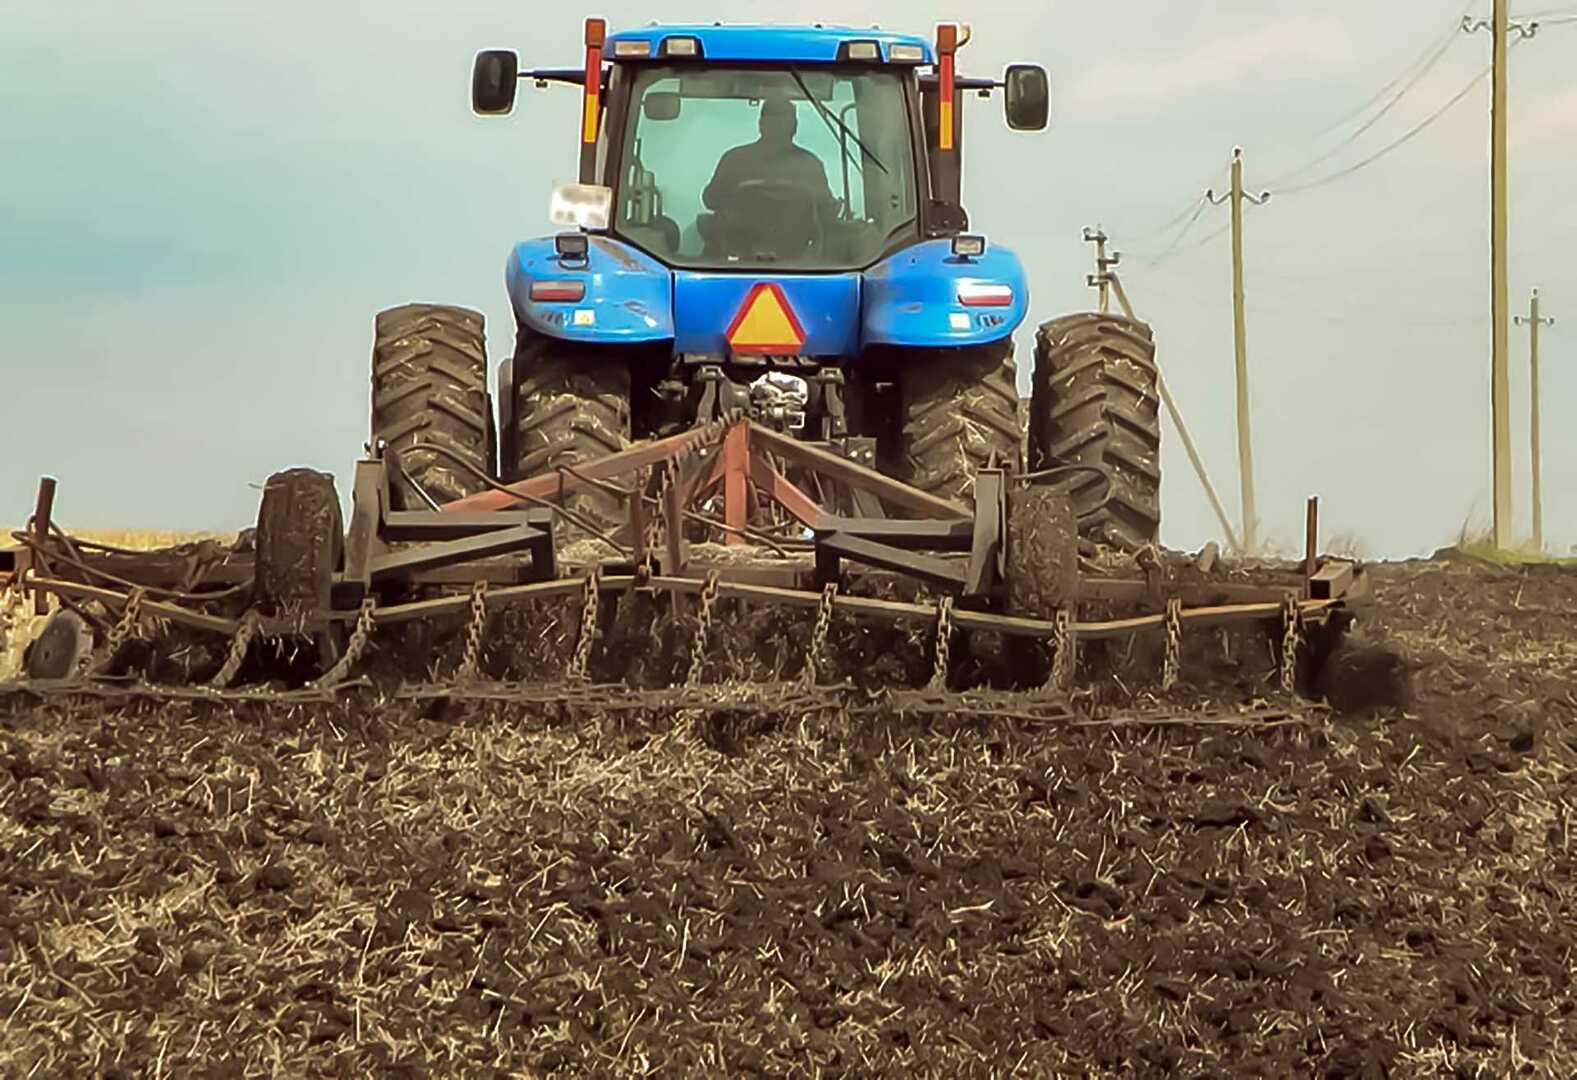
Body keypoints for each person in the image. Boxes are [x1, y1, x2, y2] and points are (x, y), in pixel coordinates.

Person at [702, 97, 838, 253]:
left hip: (737, 254)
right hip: (796, 255)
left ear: (761, 125)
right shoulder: (810, 164)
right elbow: (826, 211)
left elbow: (710, 200)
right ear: (795, 127)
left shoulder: (735, 159)